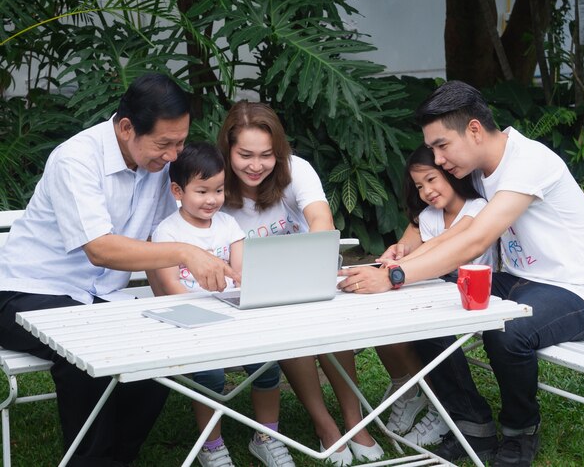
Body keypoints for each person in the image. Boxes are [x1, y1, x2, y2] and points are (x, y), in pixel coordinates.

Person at [338, 80, 584, 466]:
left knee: (508, 331)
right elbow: (437, 216)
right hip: (520, 282)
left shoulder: (528, 162)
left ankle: (520, 433)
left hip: (576, 292)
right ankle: (472, 425)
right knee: (425, 307)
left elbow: (475, 239)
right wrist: (403, 251)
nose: (437, 159)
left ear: (473, 129)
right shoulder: (479, 167)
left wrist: (394, 277)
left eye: (441, 146)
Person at [0, 73, 238, 467]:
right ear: (126, 128)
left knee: (158, 352)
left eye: (180, 142)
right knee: (85, 346)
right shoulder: (76, 158)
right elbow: (100, 249)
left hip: (99, 298)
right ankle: (90, 461)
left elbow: (171, 228)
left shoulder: (162, 164)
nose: (174, 156)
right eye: (165, 143)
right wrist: (184, 253)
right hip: (24, 290)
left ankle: (118, 457)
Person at [218, 100, 384, 466]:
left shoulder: (295, 170)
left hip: (305, 275)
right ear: (227, 148)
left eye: (267, 155)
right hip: (252, 293)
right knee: (289, 324)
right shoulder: (216, 186)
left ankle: (355, 421)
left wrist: (315, 256)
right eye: (245, 154)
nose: (256, 165)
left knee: (331, 319)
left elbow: (320, 217)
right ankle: (325, 424)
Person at [149, 141, 293, 467]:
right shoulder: (168, 232)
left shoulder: (228, 226)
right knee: (211, 375)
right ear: (177, 190)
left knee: (267, 362)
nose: (212, 199)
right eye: (202, 191)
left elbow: (242, 275)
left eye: (218, 190)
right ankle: (211, 445)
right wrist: (208, 311)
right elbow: (172, 288)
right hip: (190, 323)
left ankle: (266, 437)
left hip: (234, 315)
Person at [376, 144, 497, 446]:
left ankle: (446, 407)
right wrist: (396, 254)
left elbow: (444, 245)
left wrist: (398, 268)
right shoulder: (428, 215)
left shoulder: (476, 208)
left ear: (451, 174)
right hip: (438, 289)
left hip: (474, 294)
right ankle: (422, 393)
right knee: (386, 313)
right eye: (419, 186)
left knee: (427, 325)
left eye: (432, 179)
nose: (427, 190)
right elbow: (407, 244)